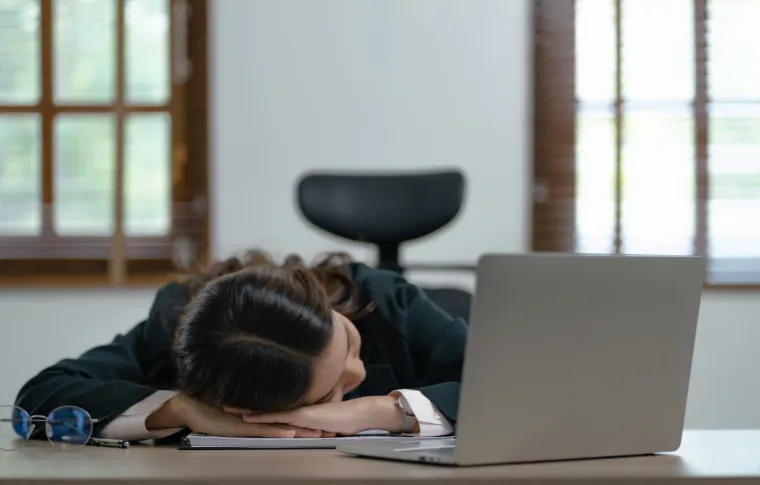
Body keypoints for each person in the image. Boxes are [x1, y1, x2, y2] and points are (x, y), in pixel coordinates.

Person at [15, 251, 466, 441]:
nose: (359, 374)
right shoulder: (175, 328)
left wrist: (380, 411)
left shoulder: (383, 302)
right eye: (329, 392)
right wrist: (181, 409)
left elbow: (521, 384)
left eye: (346, 339)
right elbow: (41, 395)